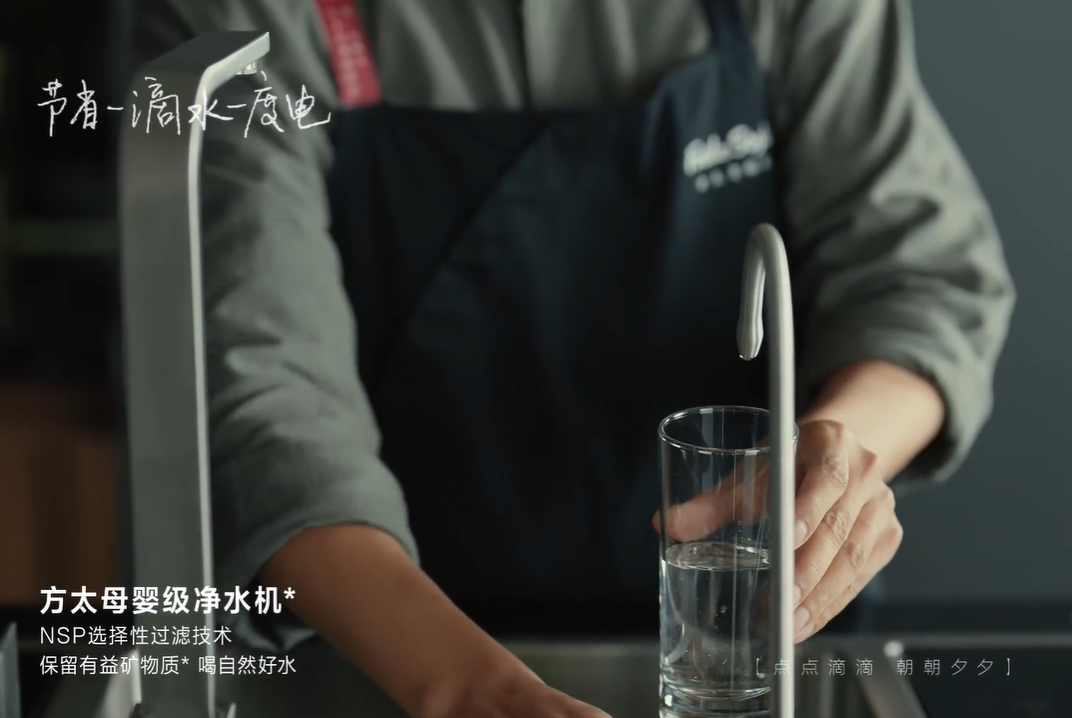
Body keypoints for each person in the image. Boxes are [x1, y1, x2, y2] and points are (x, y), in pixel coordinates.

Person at [134, 0, 1014, 716]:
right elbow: (264, 394)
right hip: (387, 648)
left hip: (757, 644)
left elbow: (920, 277)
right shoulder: (252, 16)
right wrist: (463, 690)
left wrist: (833, 463)